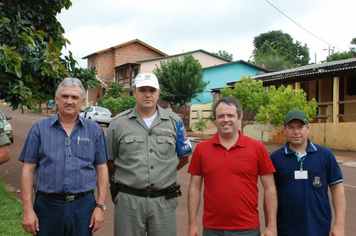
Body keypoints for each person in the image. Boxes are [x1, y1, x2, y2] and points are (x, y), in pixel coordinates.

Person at [19, 78, 109, 236]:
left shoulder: (94, 130)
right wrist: (27, 209)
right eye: (65, 96)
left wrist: (99, 207)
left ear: (81, 101)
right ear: (56, 99)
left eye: (74, 98)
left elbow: (102, 170)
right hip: (47, 206)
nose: (69, 101)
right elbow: (28, 170)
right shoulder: (39, 129)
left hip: (83, 207)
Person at [106, 73, 193, 236]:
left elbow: (184, 158)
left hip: (164, 202)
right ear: (134, 92)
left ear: (158, 93)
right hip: (129, 201)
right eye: (142, 90)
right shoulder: (118, 124)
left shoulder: (175, 122)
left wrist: (164, 173)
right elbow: (109, 161)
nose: (147, 94)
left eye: (152, 90)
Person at [188, 97, 277, 236]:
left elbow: (270, 188)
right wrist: (192, 224)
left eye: (230, 115)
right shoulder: (201, 149)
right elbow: (194, 188)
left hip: (248, 229)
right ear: (215, 119)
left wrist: (271, 226)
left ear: (239, 117)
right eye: (221, 116)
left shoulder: (257, 148)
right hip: (212, 229)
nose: (225, 119)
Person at [270, 109, 346, 236]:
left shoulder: (325, 155)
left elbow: (337, 188)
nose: (296, 132)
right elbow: (271, 194)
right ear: (284, 129)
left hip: (319, 229)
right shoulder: (275, 158)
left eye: (300, 127)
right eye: (291, 127)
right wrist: (271, 226)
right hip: (286, 230)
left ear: (308, 128)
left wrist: (339, 224)